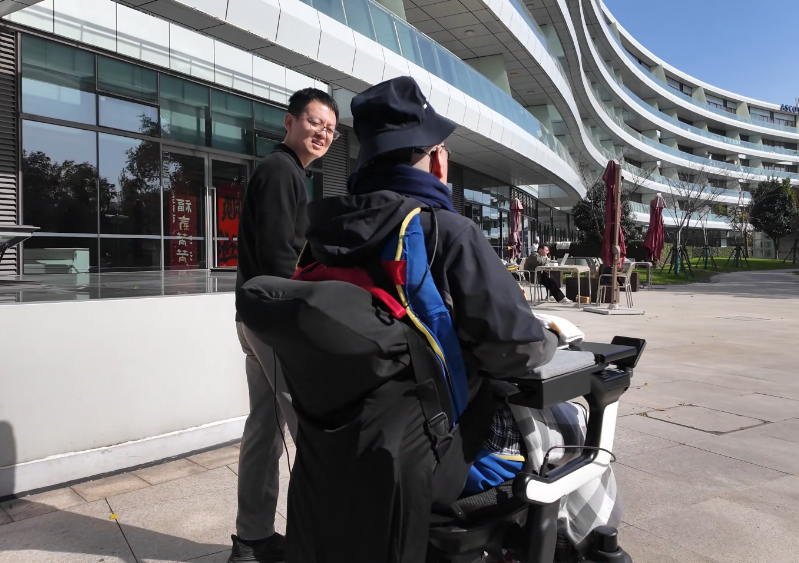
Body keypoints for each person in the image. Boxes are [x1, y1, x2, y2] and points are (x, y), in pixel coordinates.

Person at [245, 77, 620, 562]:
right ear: (435, 159)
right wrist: (548, 334)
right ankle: (589, 544)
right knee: (574, 426)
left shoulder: (325, 236)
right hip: (439, 458)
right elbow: (518, 350)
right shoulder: (446, 231)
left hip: (337, 457)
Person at [231, 87, 339, 563]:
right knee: (313, 433)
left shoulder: (287, 172)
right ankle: (319, 544)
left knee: (265, 430)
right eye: (315, 122)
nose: (322, 133)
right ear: (289, 122)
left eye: (330, 129)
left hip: (257, 318)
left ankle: (252, 540)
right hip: (275, 322)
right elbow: (279, 258)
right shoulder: (281, 171)